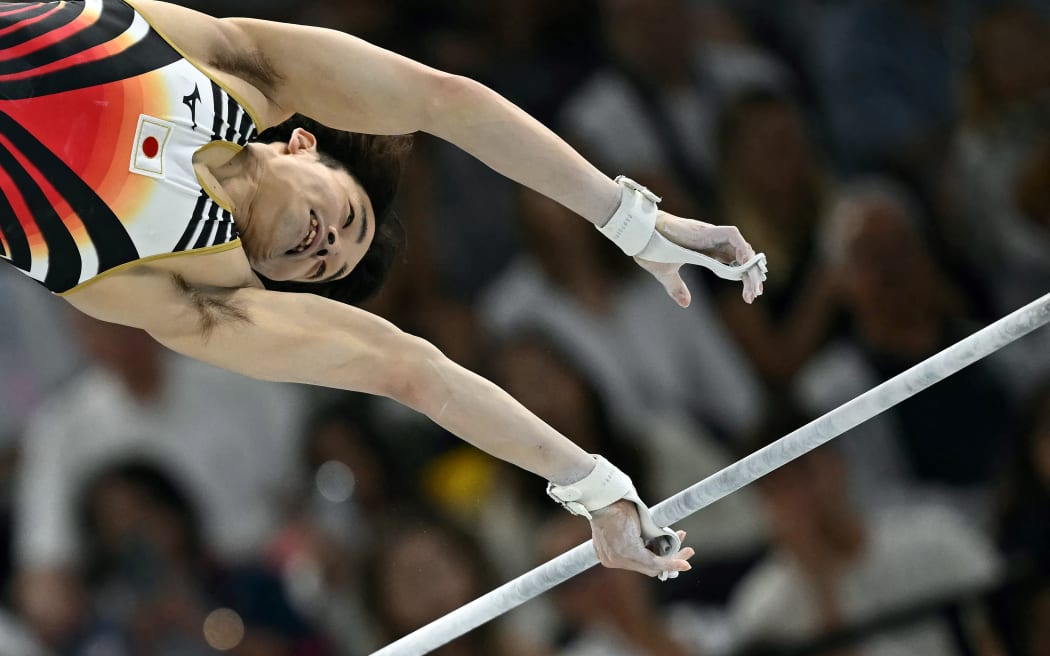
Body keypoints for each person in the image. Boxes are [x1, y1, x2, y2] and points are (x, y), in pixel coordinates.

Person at [0, 0, 767, 577]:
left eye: (321, 268)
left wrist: (593, 485)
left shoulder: (191, 298)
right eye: (347, 218)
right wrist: (629, 221)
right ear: (306, 142)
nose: (325, 243)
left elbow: (413, 371)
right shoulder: (244, 68)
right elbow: (447, 101)